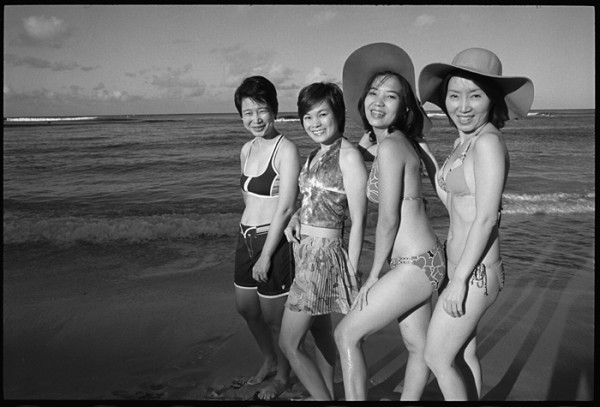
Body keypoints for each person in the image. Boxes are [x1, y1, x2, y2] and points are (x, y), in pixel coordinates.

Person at [417, 48, 534, 400]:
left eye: (475, 95)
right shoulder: (463, 142)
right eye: (454, 95)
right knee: (464, 354)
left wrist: (460, 281)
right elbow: (454, 202)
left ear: (492, 99)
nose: (462, 106)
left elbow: (486, 218)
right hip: (461, 269)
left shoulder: (487, 144)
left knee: (436, 357)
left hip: (476, 273)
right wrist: (422, 151)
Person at [334, 42, 446, 401]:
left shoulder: (391, 146)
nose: (378, 102)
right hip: (426, 260)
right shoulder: (395, 143)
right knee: (418, 347)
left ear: (404, 106)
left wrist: (373, 274)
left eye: (391, 97)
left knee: (346, 335)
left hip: (411, 265)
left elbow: (387, 220)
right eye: (372, 93)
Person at [278, 82, 367, 401]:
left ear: (338, 115)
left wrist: (352, 274)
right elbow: (316, 198)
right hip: (305, 253)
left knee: (289, 343)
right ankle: (327, 392)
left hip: (323, 258)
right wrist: (295, 216)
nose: (314, 123)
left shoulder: (348, 155)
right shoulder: (315, 153)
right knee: (319, 333)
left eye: (322, 114)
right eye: (307, 117)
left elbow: (358, 219)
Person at [233, 75, 301, 400]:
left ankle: (284, 377)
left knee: (276, 319)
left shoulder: (286, 150)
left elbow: (286, 207)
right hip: (245, 238)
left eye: (261, 110)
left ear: (274, 110)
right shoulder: (246, 150)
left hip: (271, 243)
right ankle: (269, 359)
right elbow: (247, 195)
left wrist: (266, 255)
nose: (255, 119)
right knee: (246, 308)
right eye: (248, 113)